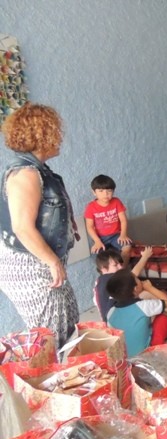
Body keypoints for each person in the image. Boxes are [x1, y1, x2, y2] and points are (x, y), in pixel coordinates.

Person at [0, 103, 79, 348]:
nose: (60, 137)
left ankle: (69, 369)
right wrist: (52, 261)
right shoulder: (25, 174)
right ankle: (53, 372)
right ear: (42, 135)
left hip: (41, 260)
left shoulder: (39, 171)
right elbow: (22, 228)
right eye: (55, 131)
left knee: (69, 324)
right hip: (30, 265)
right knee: (51, 338)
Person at [106, 269, 167, 356]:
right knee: (162, 318)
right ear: (135, 289)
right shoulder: (143, 306)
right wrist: (150, 288)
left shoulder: (110, 313)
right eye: (137, 278)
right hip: (146, 355)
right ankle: (158, 349)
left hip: (124, 357)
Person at [84, 174, 132, 265]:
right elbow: (89, 227)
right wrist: (97, 241)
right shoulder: (91, 207)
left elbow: (123, 220)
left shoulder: (116, 202)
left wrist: (123, 234)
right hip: (101, 237)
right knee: (97, 255)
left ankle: (121, 269)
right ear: (94, 192)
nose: (105, 194)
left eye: (109, 191)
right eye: (101, 191)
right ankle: (108, 272)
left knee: (127, 247)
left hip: (116, 235)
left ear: (113, 191)